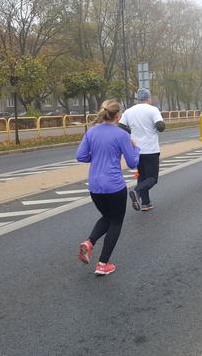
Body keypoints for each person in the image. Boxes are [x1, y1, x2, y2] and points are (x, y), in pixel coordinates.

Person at [77, 100, 140, 276]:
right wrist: (136, 148)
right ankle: (103, 264)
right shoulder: (121, 135)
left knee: (107, 216)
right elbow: (133, 162)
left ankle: (89, 242)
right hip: (114, 186)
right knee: (116, 221)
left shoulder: (92, 132)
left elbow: (80, 156)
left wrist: (97, 157)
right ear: (118, 116)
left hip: (95, 186)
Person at [119, 88, 165, 212]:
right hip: (151, 149)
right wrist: (156, 126)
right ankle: (137, 191)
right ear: (148, 98)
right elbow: (160, 126)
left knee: (142, 176)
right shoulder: (153, 110)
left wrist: (132, 132)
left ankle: (146, 203)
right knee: (152, 178)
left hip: (136, 149)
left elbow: (120, 126)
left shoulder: (129, 111)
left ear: (138, 99)